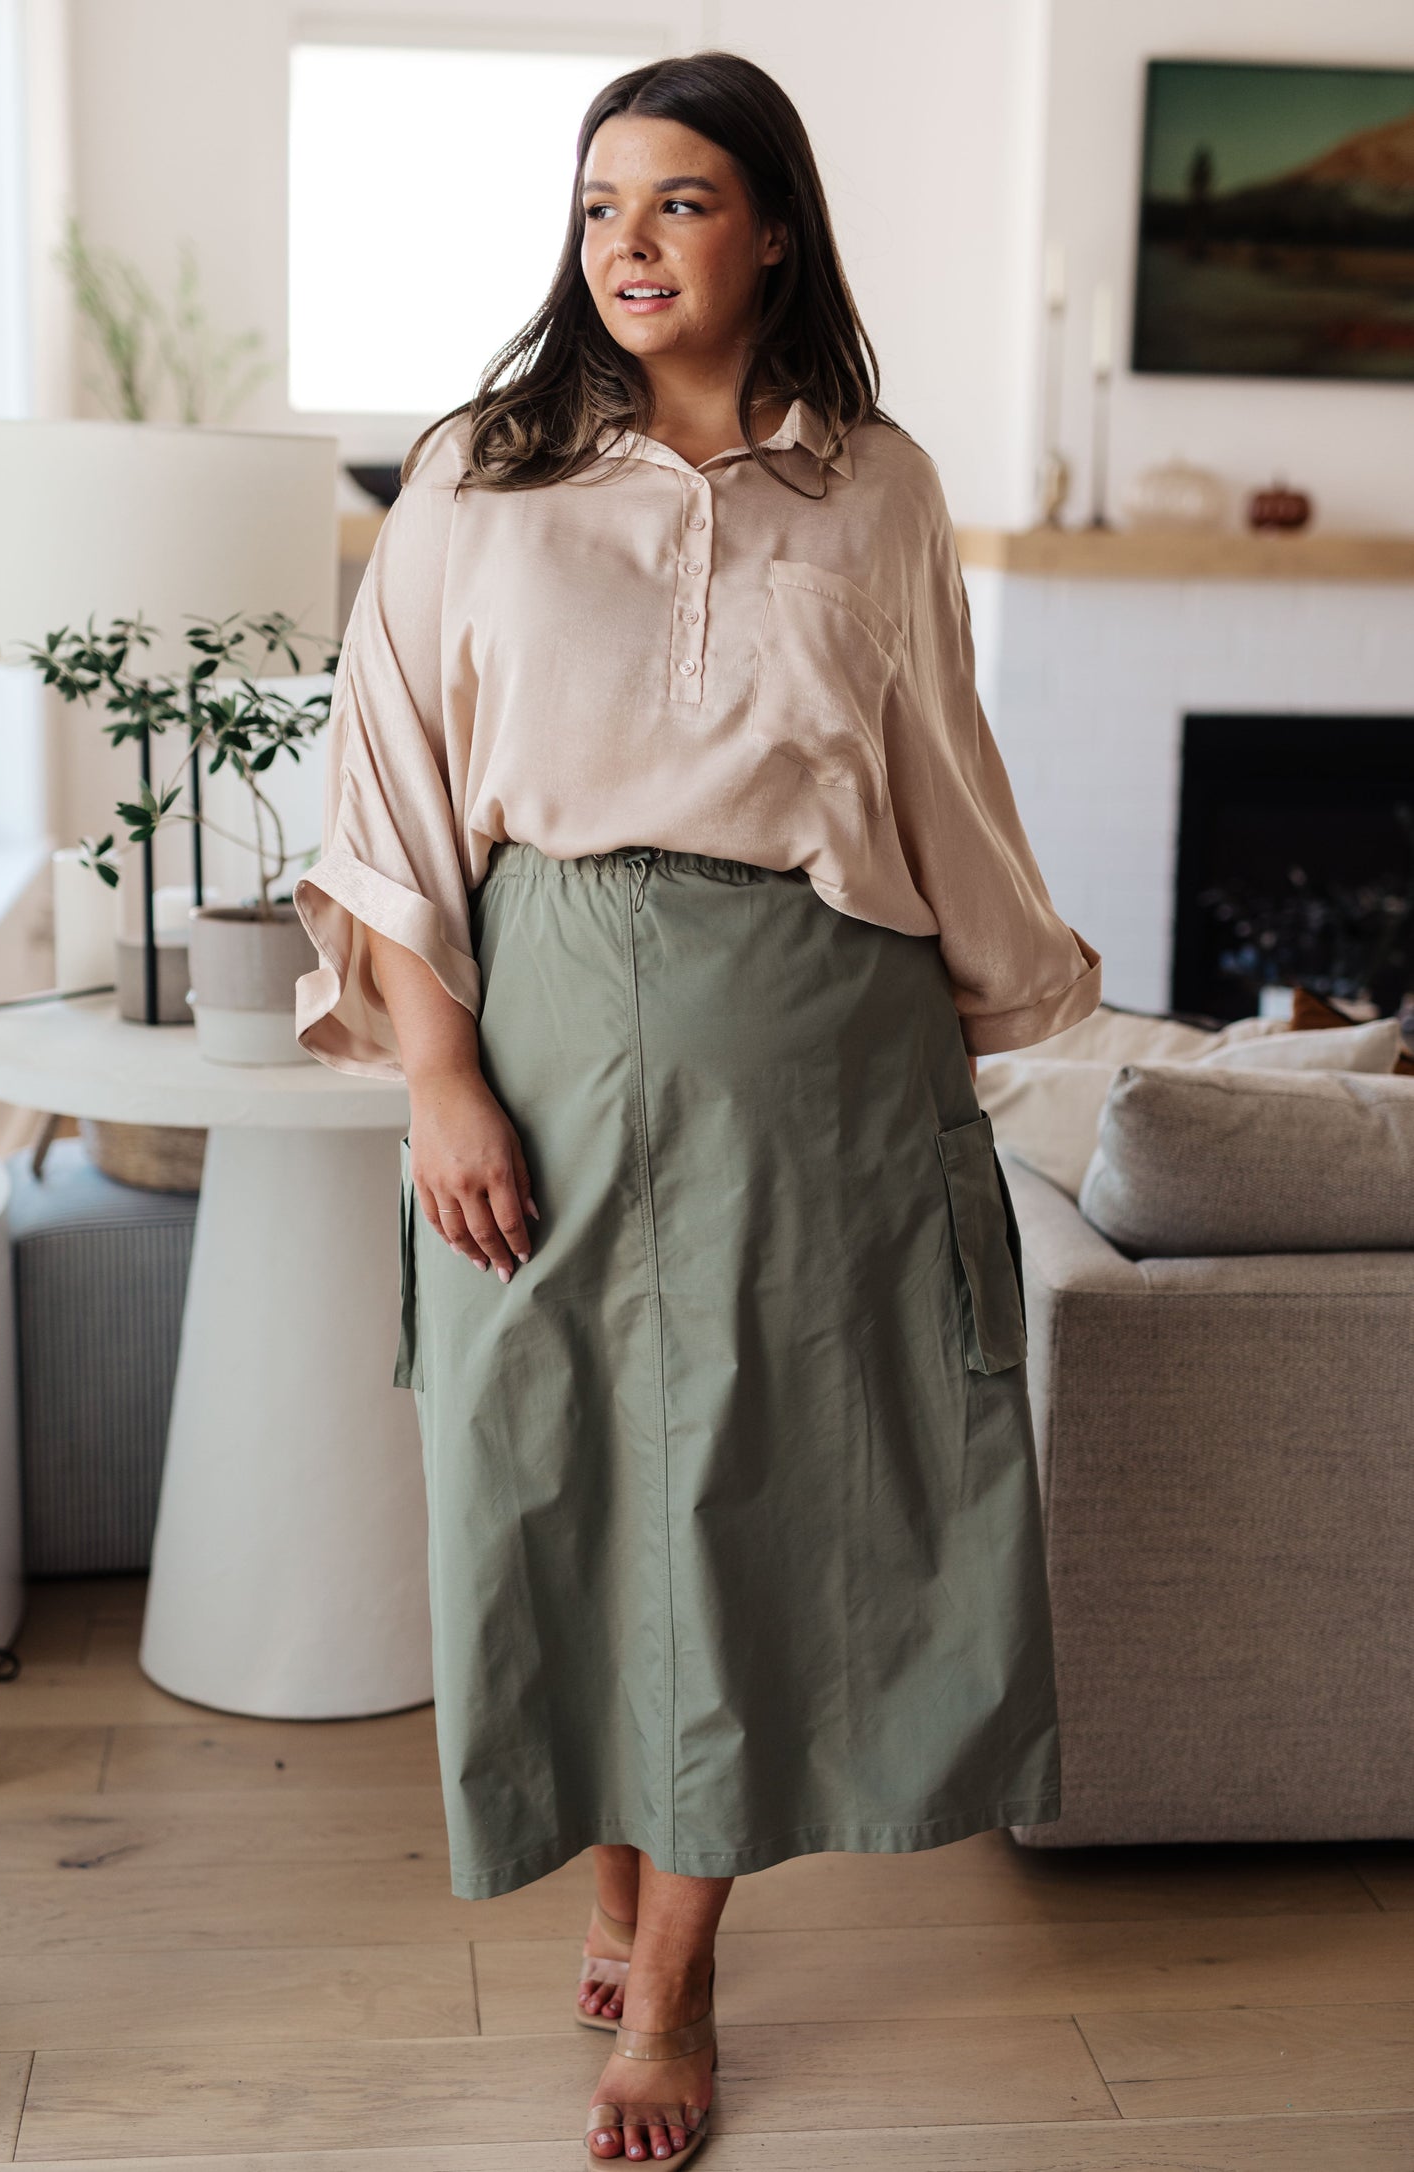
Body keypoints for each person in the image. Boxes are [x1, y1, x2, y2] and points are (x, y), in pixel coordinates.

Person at [293, 48, 1102, 2168]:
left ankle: (679, 1984)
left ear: (772, 230)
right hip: (544, 1008)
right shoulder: (485, 464)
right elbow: (384, 790)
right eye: (596, 209)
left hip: (812, 1031)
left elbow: (935, 775)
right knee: (546, 1457)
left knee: (746, 1487)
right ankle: (611, 1866)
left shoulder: (883, 486)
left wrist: (1008, 1017)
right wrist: (438, 1079)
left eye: (674, 203)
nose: (627, 246)